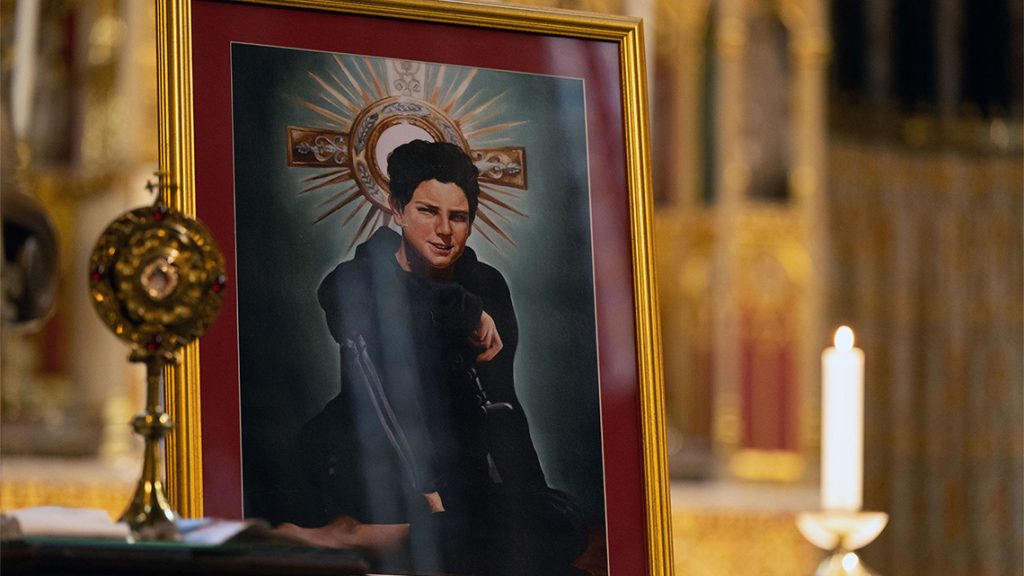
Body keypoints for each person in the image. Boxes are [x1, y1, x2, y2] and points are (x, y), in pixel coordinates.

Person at [279, 140, 587, 575]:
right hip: (372, 466)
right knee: (480, 535)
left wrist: (529, 498)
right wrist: (426, 491)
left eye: (458, 217)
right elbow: (378, 400)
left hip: (459, 483)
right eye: (427, 211)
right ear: (397, 209)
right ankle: (347, 532)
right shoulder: (355, 280)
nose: (444, 230)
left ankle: (395, 536)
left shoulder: (486, 285)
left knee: (563, 522)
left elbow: (502, 402)